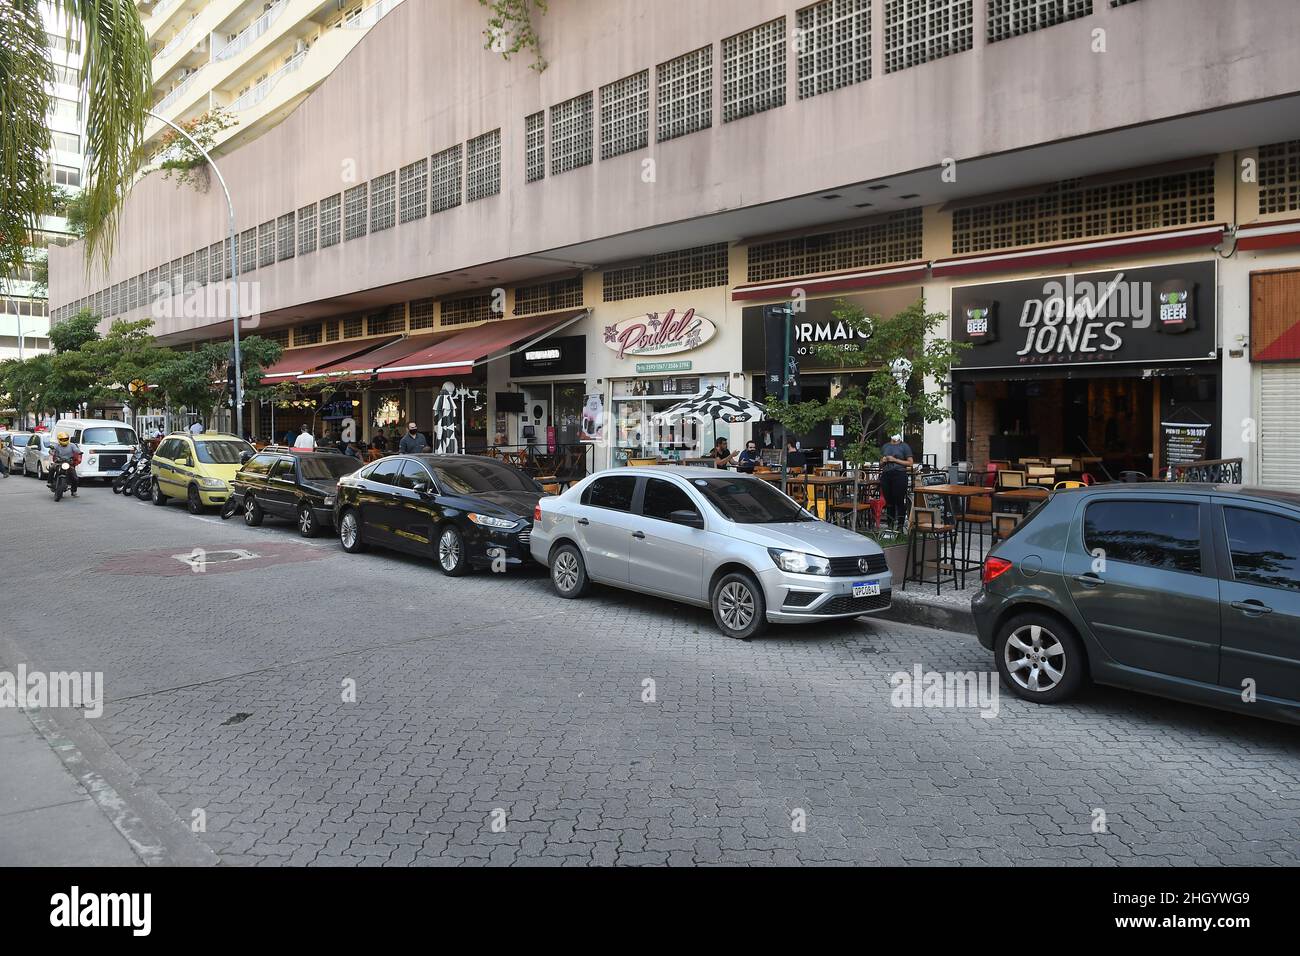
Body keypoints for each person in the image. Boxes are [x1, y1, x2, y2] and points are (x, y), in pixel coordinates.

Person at [880, 432, 915, 528]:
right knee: (889, 502)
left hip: (899, 474)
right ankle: (890, 525)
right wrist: (882, 461)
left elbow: (910, 463)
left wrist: (894, 460)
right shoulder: (886, 446)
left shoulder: (904, 446)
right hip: (886, 474)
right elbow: (880, 464)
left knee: (899, 501)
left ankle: (900, 526)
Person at [47, 431, 81, 497]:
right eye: (62, 439)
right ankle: (50, 482)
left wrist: (79, 452)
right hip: (58, 462)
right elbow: (52, 451)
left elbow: (76, 450)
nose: (64, 440)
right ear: (59, 440)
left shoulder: (72, 445)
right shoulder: (57, 446)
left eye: (65, 439)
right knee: (51, 468)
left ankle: (74, 491)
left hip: (68, 463)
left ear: (68, 439)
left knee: (75, 478)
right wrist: (51, 451)